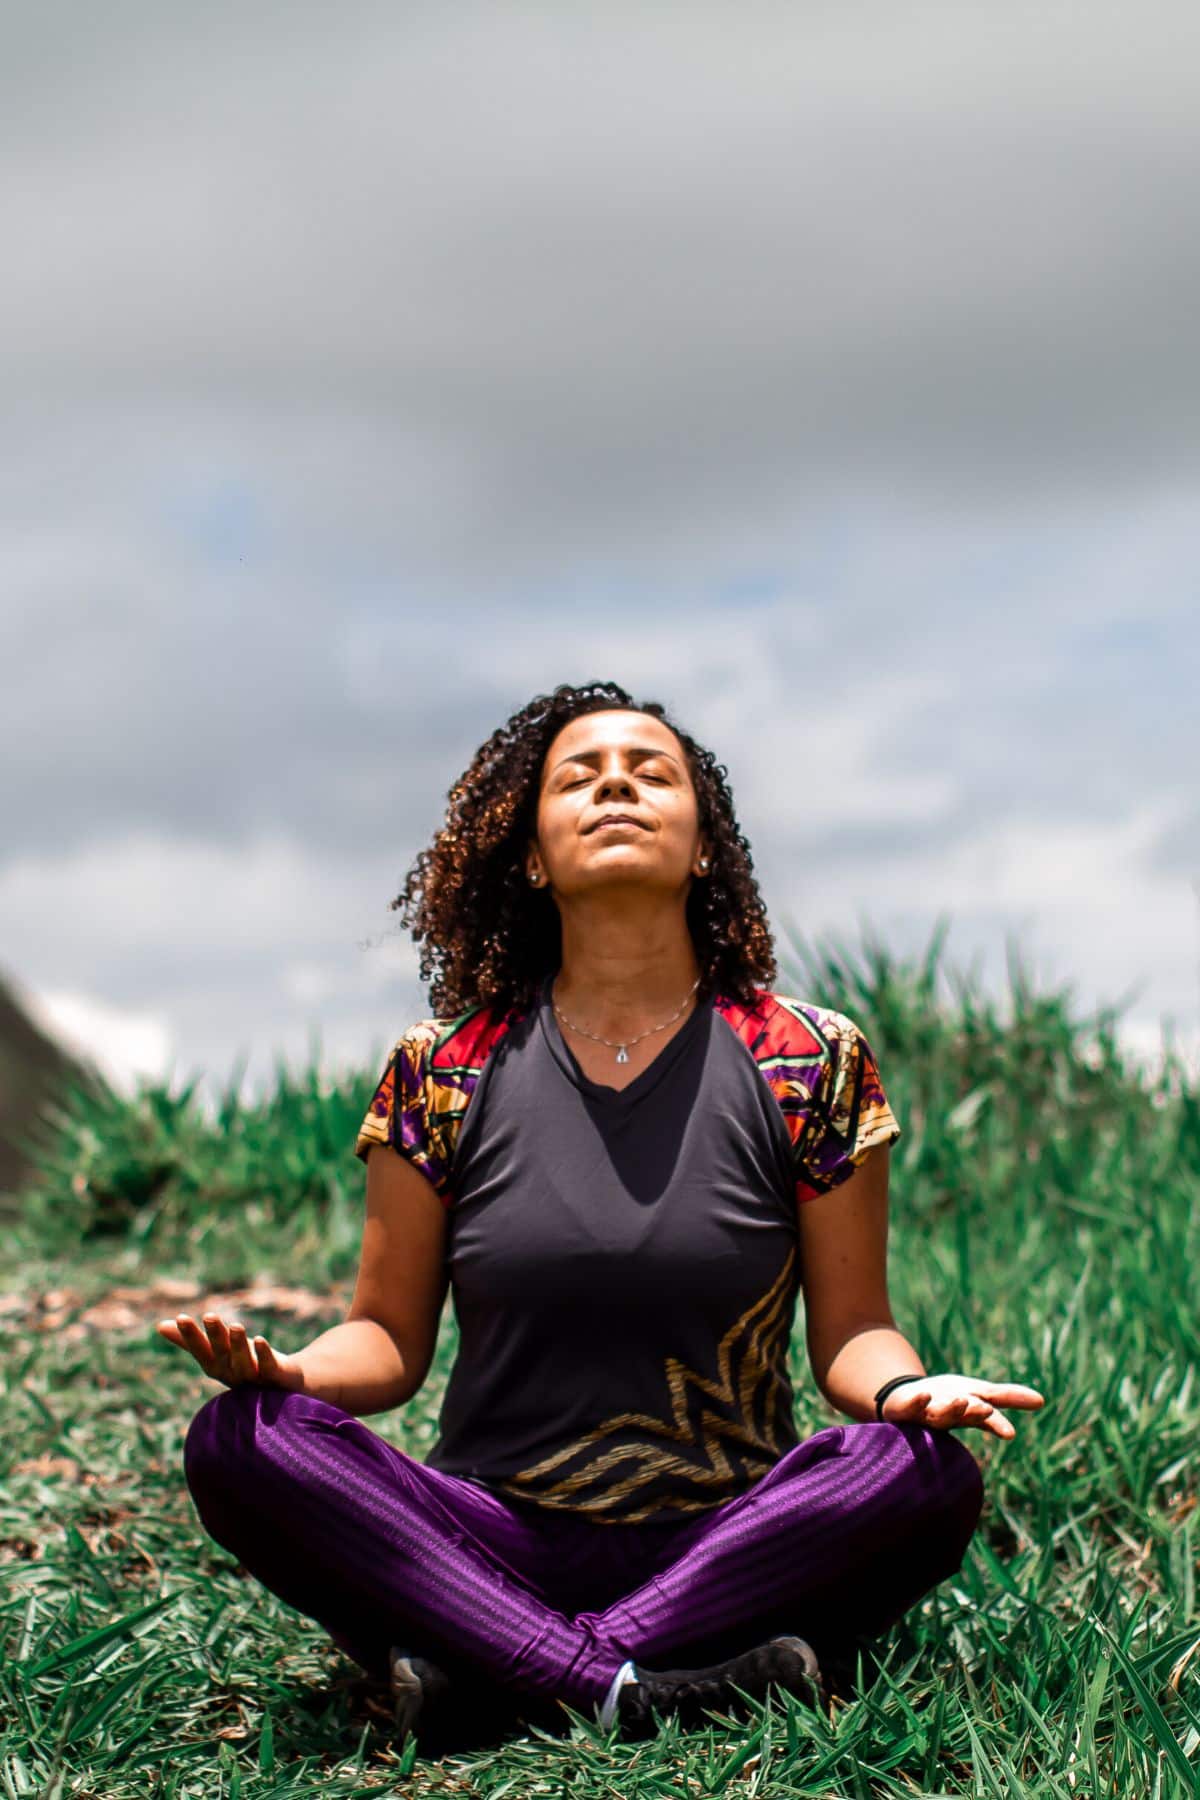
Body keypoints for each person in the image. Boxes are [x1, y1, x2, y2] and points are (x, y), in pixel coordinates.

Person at [162, 679, 1045, 1753]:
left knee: (918, 1471)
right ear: (532, 854)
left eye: (652, 772)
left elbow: (853, 1331)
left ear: (704, 846)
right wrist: (291, 1375)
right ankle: (639, 1687)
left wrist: (909, 1390)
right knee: (241, 1440)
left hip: (730, 1538)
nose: (616, 783)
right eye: (578, 776)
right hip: (496, 1533)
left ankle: (505, 1673)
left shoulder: (809, 1058)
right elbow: (388, 1340)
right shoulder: (442, 1070)